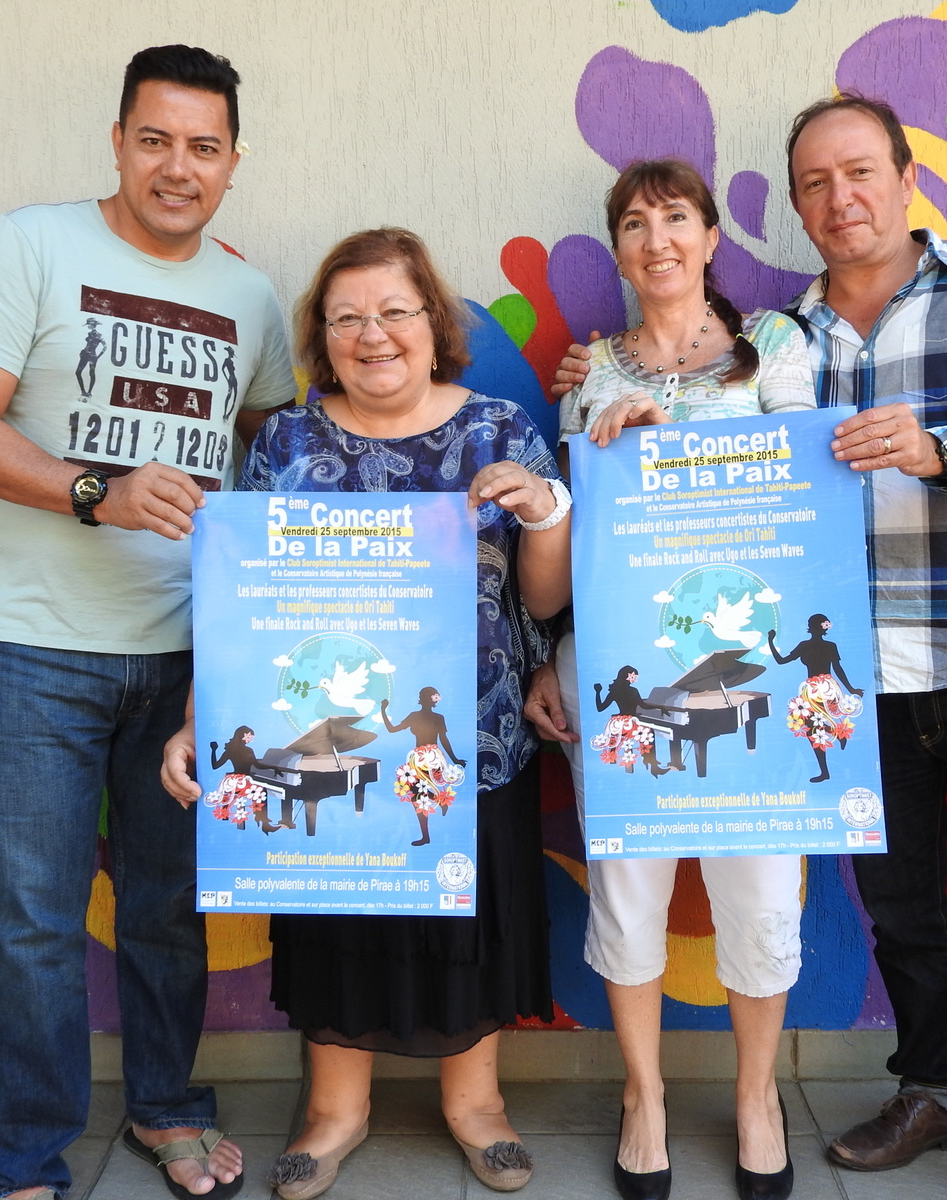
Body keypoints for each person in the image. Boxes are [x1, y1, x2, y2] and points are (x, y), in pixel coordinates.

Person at [550, 98, 947, 1200]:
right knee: (901, 902)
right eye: (813, 183)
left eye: (858, 173)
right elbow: (739, 480)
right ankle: (935, 1088)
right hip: (854, 666)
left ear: (904, 177)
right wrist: (646, 429)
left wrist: (943, 451)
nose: (839, 199)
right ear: (791, 204)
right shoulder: (788, 333)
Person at [0, 45, 295, 1200]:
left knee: (169, 910)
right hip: (35, 649)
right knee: (31, 919)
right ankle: (26, 1156)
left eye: (202, 147)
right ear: (119, 141)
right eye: (154, 139)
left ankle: (168, 1111)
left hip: (190, 662)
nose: (176, 167)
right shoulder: (31, 246)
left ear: (233, 163)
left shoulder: (250, 296)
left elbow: (274, 455)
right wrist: (99, 489)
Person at [161, 227, 570, 1198]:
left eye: (393, 311)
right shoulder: (292, 441)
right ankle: (331, 1111)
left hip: (467, 746)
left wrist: (544, 514)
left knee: (466, 930)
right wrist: (196, 722)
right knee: (336, 921)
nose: (372, 334)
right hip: (333, 745)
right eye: (346, 318)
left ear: (433, 322)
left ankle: (476, 1106)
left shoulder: (500, 430)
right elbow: (241, 605)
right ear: (320, 337)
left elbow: (544, 604)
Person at [529, 158, 816, 1200]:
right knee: (629, 887)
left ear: (707, 240)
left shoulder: (773, 349)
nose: (657, 238)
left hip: (747, 669)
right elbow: (568, 544)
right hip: (621, 665)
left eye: (676, 219)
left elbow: (801, 488)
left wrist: (675, 455)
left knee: (757, 891)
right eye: (635, 224)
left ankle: (755, 1093)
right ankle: (641, 1094)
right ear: (618, 250)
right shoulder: (588, 372)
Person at [765, 616, 863, 784]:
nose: (826, 627)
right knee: (811, 729)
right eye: (824, 624)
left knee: (812, 728)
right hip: (812, 690)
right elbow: (782, 661)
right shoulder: (806, 645)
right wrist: (771, 642)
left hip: (825, 689)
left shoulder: (828, 646)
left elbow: (838, 669)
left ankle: (830, 752)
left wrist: (851, 688)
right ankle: (834, 738)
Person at [381, 687, 466, 846]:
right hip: (417, 758)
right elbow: (392, 730)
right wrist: (383, 711)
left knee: (418, 795)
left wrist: (455, 759)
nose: (427, 699)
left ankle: (436, 808)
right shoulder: (414, 716)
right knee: (415, 795)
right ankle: (436, 810)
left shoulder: (438, 717)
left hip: (432, 758)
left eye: (429, 697)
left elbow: (444, 739)